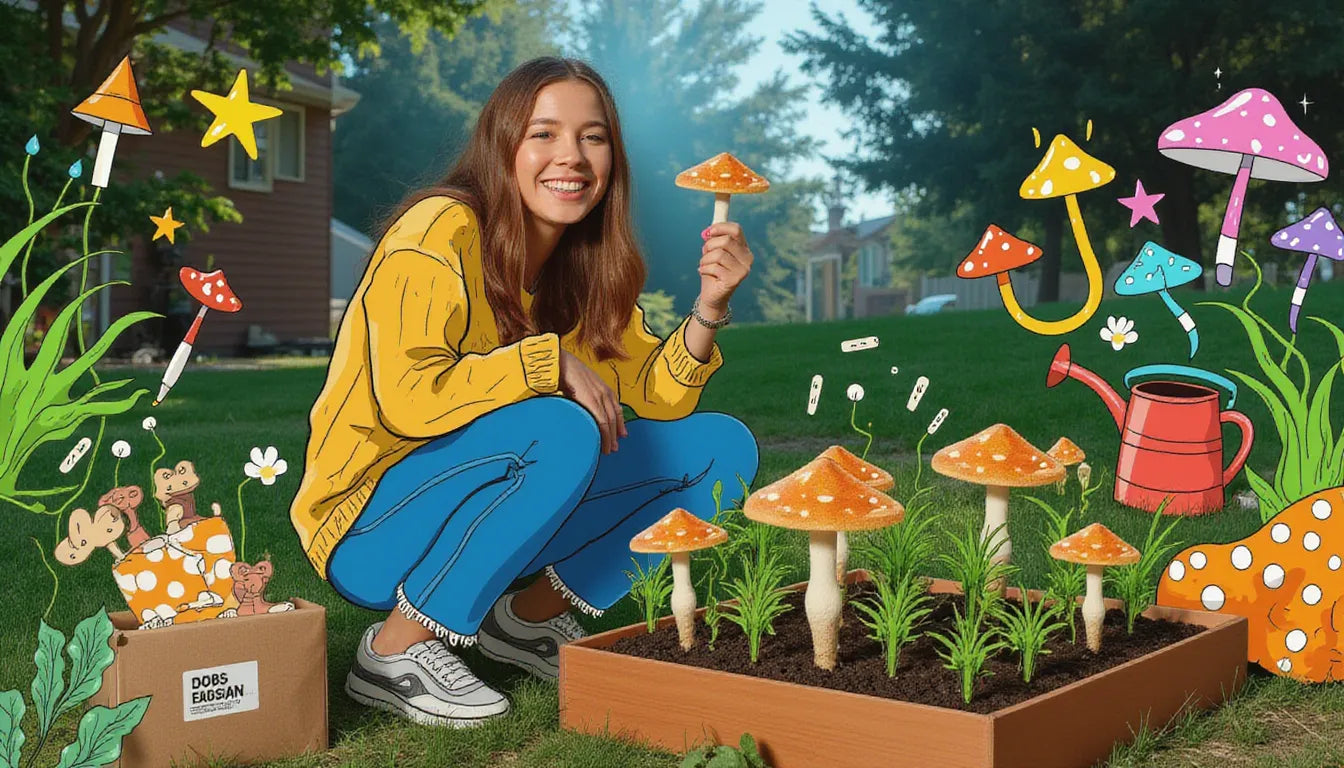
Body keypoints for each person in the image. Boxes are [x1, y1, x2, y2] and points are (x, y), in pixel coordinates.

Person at [288, 56, 760, 727]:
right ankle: (394, 651)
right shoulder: (439, 229)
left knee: (718, 450)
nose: (572, 156)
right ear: (502, 145)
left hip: (509, 493)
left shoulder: (584, 265)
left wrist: (710, 307)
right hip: (369, 523)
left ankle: (525, 621)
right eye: (544, 134)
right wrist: (547, 364)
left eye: (593, 137)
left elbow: (660, 396)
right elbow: (409, 398)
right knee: (560, 425)